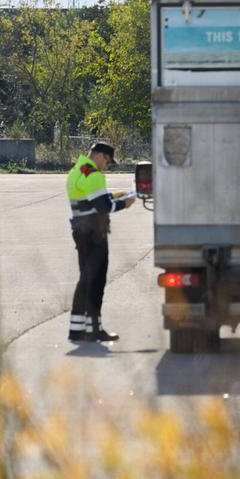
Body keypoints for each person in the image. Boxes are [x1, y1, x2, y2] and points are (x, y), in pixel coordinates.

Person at [65, 142, 136, 343]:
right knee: (96, 282)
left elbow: (90, 199)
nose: (107, 166)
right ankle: (95, 330)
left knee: (85, 280)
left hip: (80, 230)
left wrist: (116, 194)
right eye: (108, 161)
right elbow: (103, 207)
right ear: (100, 156)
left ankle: (77, 330)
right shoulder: (94, 175)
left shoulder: (78, 170)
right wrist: (125, 203)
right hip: (94, 233)